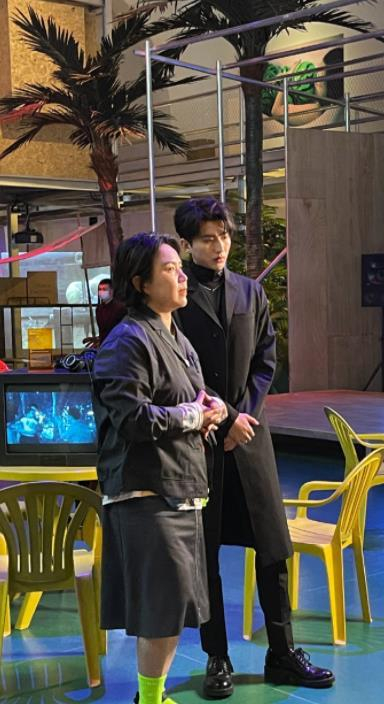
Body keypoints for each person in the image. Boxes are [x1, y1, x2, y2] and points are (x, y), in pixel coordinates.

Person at [174, 197, 334, 698]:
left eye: (223, 235)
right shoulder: (175, 296)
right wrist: (224, 419)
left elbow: (267, 360)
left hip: (250, 437)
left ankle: (282, 653)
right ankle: (216, 656)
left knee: (272, 548)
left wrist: (244, 415)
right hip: (202, 441)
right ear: (187, 244)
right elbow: (177, 371)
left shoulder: (250, 291)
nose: (218, 245)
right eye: (206, 238)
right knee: (206, 554)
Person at [92, 233, 228, 704]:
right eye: (169, 268)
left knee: (171, 609)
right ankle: (149, 700)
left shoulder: (177, 338)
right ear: (141, 283)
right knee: (159, 610)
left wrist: (213, 409)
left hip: (180, 489)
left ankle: (152, 696)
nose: (182, 276)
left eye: (179, 267)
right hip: (147, 494)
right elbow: (132, 418)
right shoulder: (127, 341)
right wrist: (193, 416)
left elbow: (191, 398)